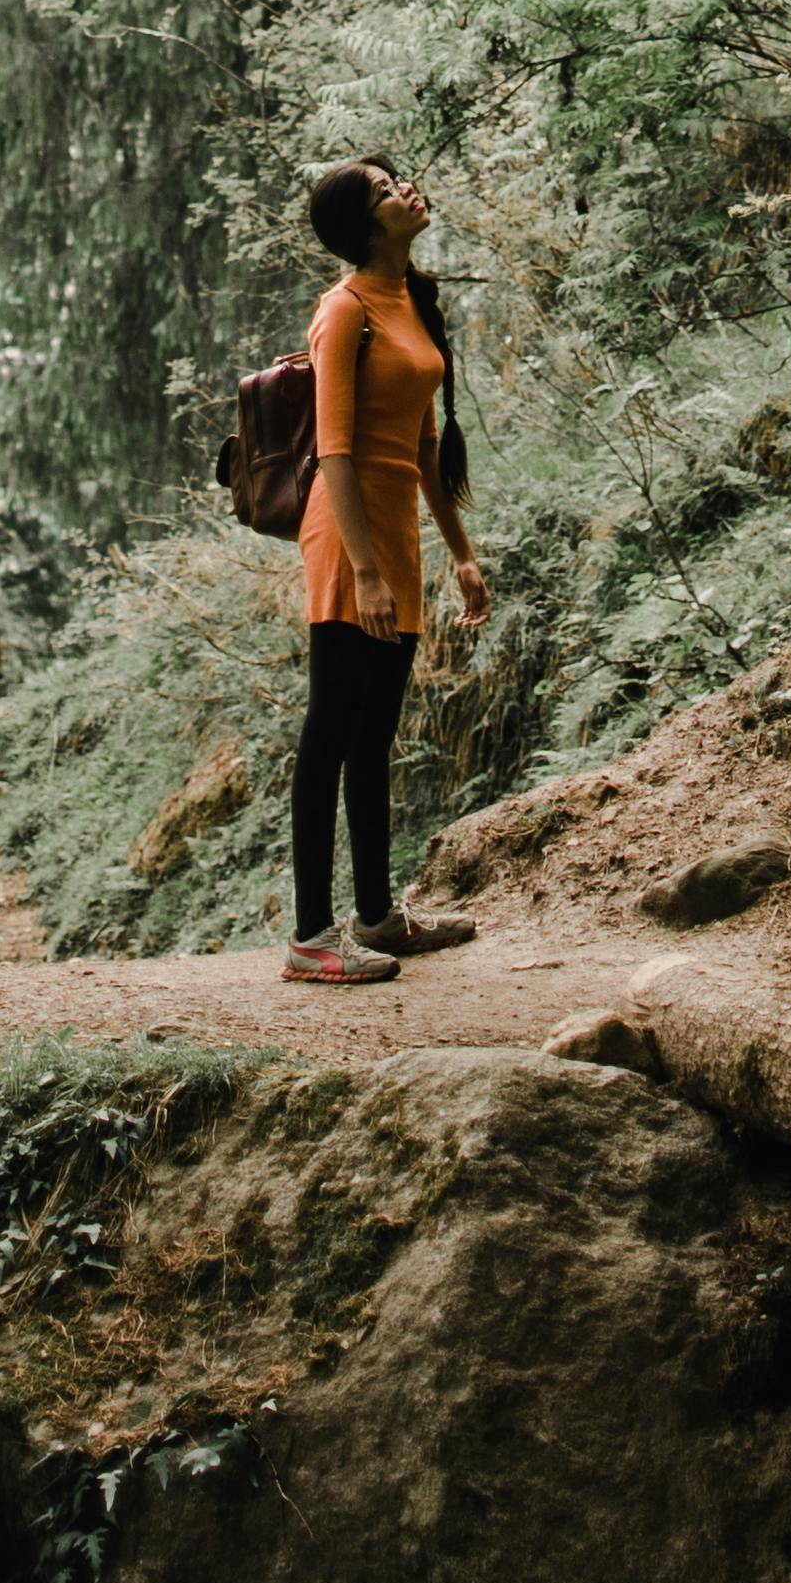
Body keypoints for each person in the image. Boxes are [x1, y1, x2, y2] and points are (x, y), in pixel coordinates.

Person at [285, 155, 487, 987]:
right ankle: (308, 938)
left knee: (374, 736)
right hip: (347, 539)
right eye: (383, 189)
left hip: (397, 536)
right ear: (365, 225)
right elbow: (334, 448)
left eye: (394, 178)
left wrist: (462, 552)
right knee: (329, 733)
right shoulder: (343, 310)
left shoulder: (413, 298)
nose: (404, 188)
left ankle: (375, 916)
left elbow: (425, 449)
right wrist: (364, 571)